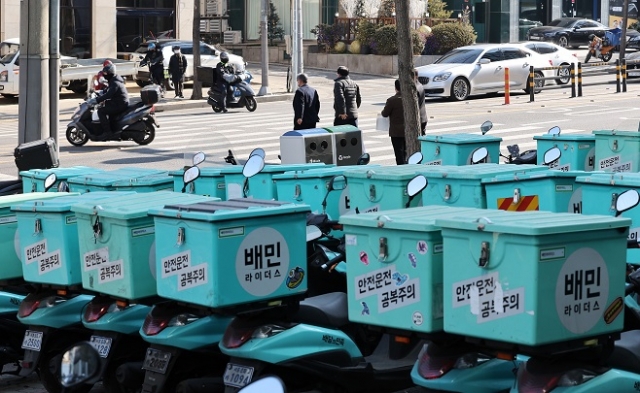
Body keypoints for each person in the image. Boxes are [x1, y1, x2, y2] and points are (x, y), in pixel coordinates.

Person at [88, 63, 129, 140]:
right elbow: (108, 90)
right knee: (106, 108)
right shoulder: (114, 79)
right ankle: (113, 130)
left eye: (106, 73)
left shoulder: (115, 82)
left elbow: (108, 95)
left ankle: (108, 133)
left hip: (120, 104)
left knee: (101, 111)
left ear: (110, 73)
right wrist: (99, 92)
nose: (104, 75)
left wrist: (97, 100)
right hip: (118, 102)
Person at [381, 79, 406, 165]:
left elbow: (384, 114)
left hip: (396, 131)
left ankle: (401, 168)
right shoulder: (409, 99)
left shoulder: (392, 100)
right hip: (407, 130)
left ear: (396, 88)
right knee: (406, 152)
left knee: (398, 153)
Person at [413, 69, 428, 136]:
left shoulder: (416, 88)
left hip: (419, 118)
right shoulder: (419, 85)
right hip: (423, 117)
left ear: (416, 76)